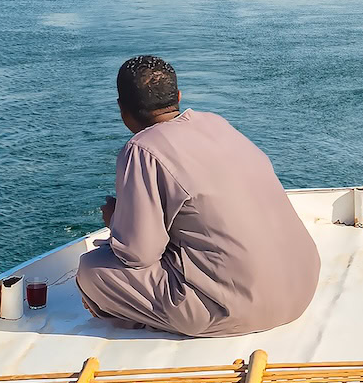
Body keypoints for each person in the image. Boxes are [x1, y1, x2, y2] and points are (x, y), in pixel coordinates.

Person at [76, 55, 320, 337]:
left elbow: (137, 255)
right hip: (302, 287)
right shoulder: (216, 124)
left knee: (92, 269)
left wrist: (116, 219)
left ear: (122, 109)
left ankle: (145, 319)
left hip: (238, 308)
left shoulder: (142, 149)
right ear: (179, 97)